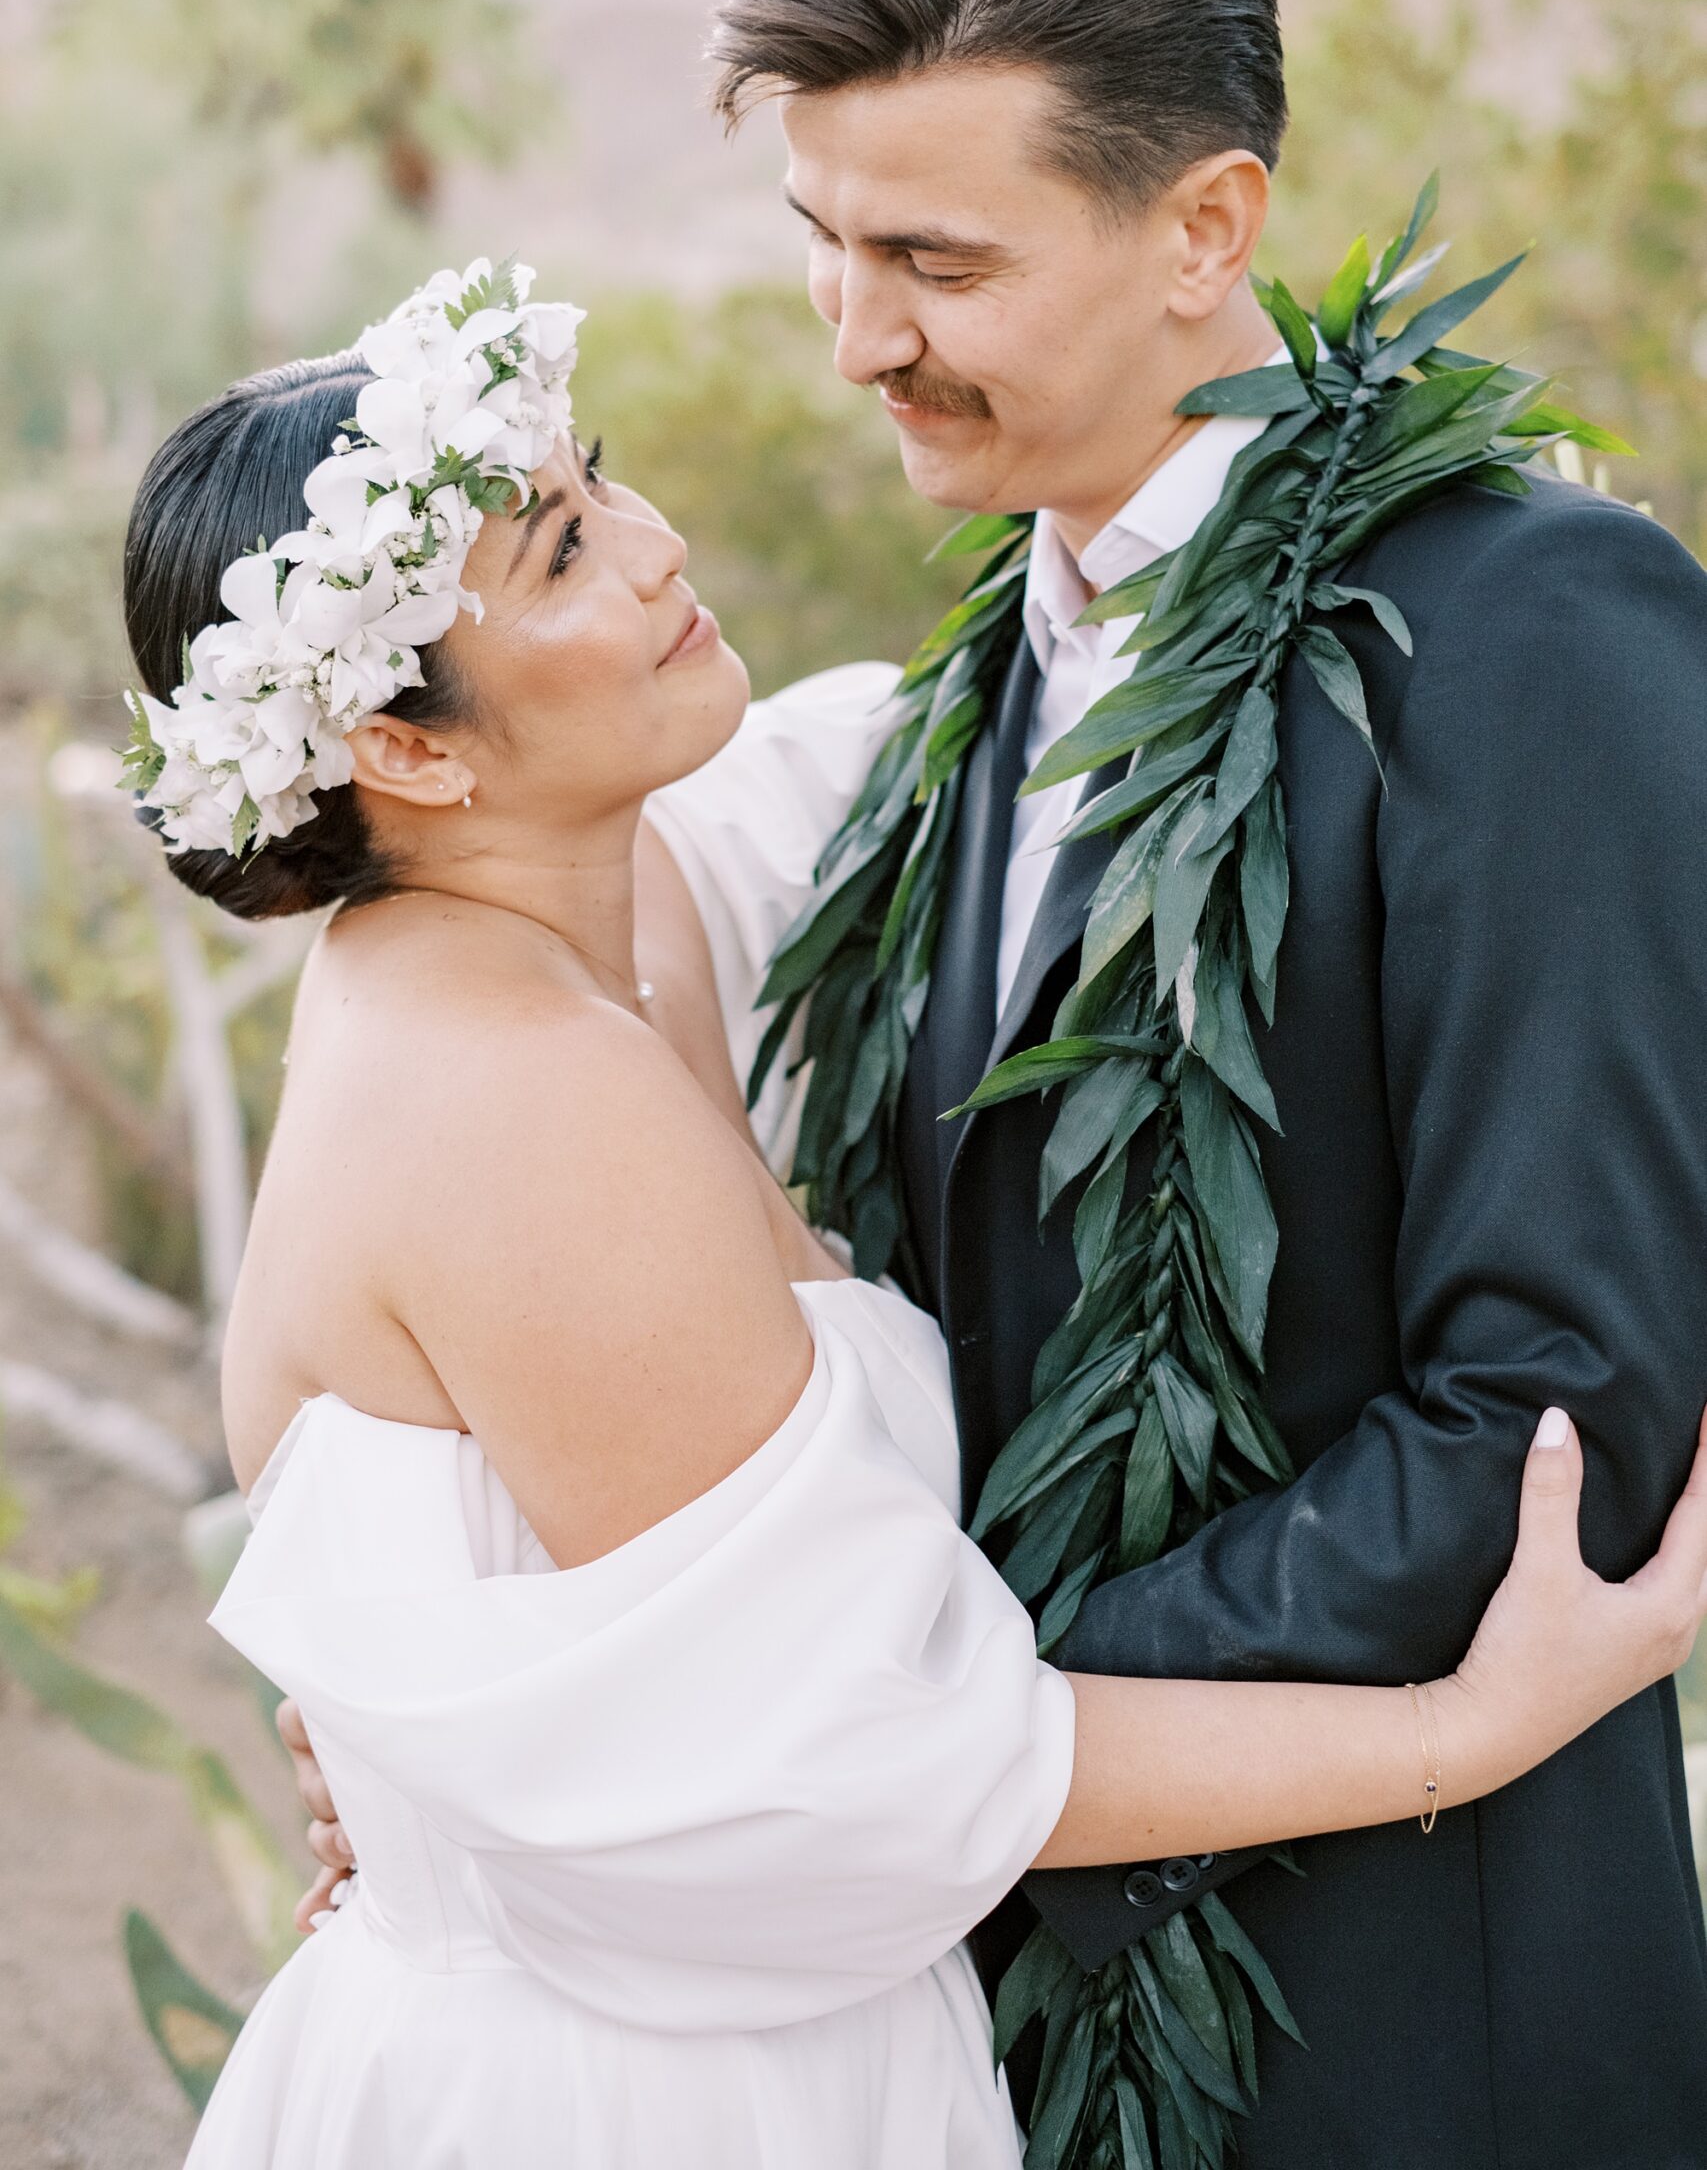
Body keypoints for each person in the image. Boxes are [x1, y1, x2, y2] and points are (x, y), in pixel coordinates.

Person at [121, 273, 1707, 2170]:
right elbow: (891, 1760)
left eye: (600, 479)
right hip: (640, 2101)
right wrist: (1480, 1725)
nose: (653, 547)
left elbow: (967, 755)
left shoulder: (601, 917)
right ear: (410, 752)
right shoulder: (521, 1102)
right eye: (558, 553)